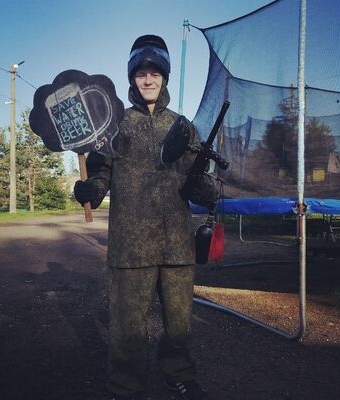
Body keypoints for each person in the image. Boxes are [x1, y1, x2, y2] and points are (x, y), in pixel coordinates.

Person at [74, 35, 214, 400]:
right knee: (128, 325)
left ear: (164, 76)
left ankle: (178, 373)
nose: (148, 79)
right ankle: (125, 385)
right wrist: (91, 189)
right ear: (132, 78)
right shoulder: (115, 125)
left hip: (177, 243)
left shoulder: (183, 126)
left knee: (179, 322)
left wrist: (204, 188)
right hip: (130, 245)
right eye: (141, 73)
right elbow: (101, 174)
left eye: (155, 73)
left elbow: (203, 178)